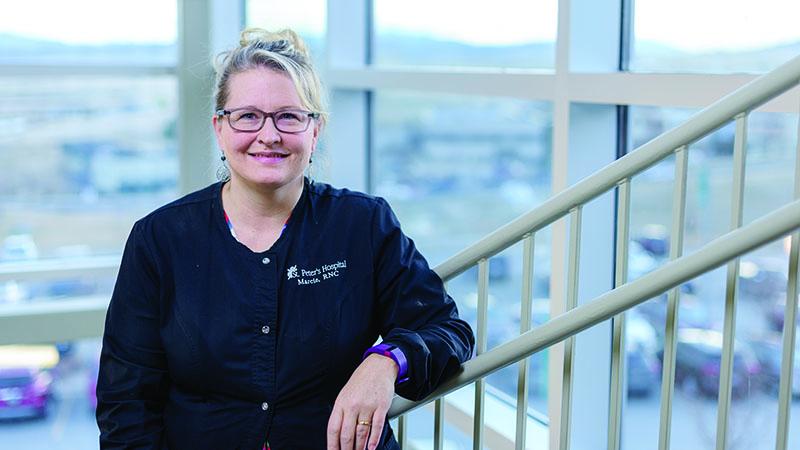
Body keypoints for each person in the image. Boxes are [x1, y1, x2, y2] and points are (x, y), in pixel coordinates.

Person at [96, 28, 474, 450]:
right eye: (248, 116)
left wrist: (387, 361)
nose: (269, 135)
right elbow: (126, 402)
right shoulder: (160, 239)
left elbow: (448, 330)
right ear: (220, 129)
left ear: (315, 130)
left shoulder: (362, 224)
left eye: (289, 116)